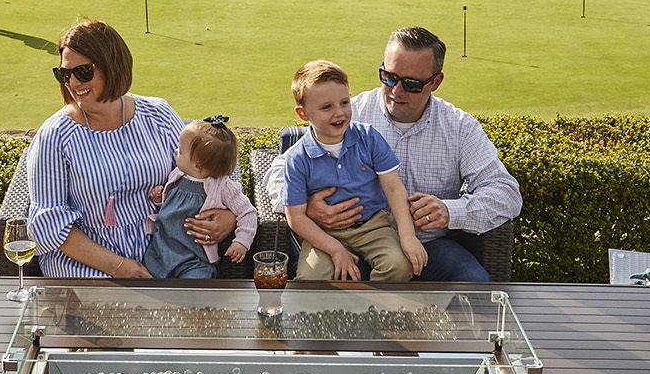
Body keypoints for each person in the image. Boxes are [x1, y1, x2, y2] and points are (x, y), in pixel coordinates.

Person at [262, 26, 522, 282]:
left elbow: (506, 192)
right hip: (351, 243)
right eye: (389, 77)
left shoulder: (459, 128)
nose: (397, 91)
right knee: (333, 283)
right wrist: (307, 208)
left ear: (436, 82)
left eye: (411, 84)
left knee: (474, 281)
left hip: (428, 246)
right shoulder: (353, 112)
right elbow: (279, 169)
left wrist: (451, 211)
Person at [26, 19, 237, 278]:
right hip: (89, 267)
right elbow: (49, 224)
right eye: (64, 74)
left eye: (83, 72)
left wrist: (229, 218)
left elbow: (205, 169)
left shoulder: (158, 114)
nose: (72, 83)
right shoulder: (55, 136)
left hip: (167, 256)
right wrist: (118, 266)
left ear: (112, 66)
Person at [282, 60, 429, 283]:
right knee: (310, 279)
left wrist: (407, 236)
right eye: (327, 107)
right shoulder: (296, 159)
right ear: (303, 114)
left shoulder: (369, 137)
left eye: (344, 102)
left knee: (398, 266)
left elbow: (394, 188)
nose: (339, 113)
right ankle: (329, 316)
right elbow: (297, 219)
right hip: (324, 233)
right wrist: (335, 250)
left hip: (373, 226)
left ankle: (369, 314)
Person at [143, 116, 258, 279]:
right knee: (149, 283)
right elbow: (173, 204)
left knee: (196, 286)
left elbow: (247, 212)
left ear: (197, 166)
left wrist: (241, 241)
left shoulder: (222, 187)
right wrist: (160, 197)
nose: (176, 152)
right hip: (160, 252)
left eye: (180, 151)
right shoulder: (178, 175)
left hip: (194, 260)